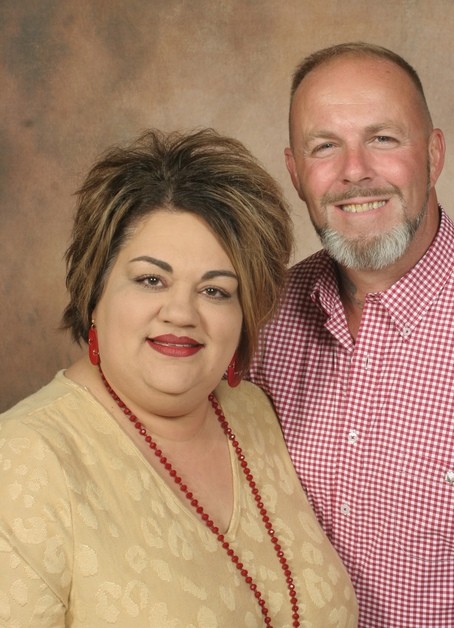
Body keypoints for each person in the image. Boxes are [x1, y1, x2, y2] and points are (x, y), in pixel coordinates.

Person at [0, 129, 358, 627]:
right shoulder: (24, 461)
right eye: (152, 280)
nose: (181, 313)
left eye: (215, 291)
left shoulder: (253, 412)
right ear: (94, 291)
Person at [249, 42, 454, 627]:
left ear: (434, 154)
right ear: (295, 172)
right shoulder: (260, 318)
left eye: (383, 138)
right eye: (324, 146)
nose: (355, 170)